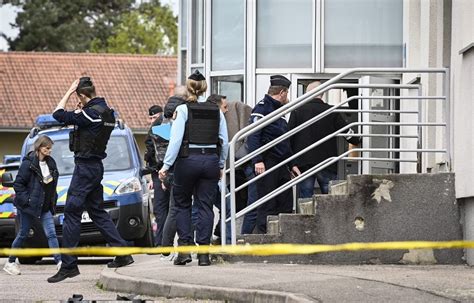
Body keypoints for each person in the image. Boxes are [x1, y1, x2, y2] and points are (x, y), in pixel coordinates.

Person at [48, 77, 133, 283]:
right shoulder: (108, 112)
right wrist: (81, 110)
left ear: (82, 96)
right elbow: (89, 123)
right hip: (96, 167)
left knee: (71, 212)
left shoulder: (90, 113)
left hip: (85, 168)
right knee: (97, 212)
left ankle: (68, 265)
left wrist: (68, 92)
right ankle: (122, 253)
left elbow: (57, 114)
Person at [159, 70, 228, 266]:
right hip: (210, 162)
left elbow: (175, 140)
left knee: (182, 205)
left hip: (187, 161)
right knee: (205, 206)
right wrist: (221, 164)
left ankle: (184, 251)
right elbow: (225, 141)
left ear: (188, 87)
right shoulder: (216, 110)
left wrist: (166, 166)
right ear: (205, 88)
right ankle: (204, 254)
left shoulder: (183, 110)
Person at [247, 75, 301, 234]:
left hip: (281, 164)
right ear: (282, 92)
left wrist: (292, 164)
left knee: (285, 203)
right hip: (267, 163)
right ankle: (265, 238)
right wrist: (257, 160)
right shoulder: (262, 108)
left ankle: (280, 236)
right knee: (267, 204)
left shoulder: (278, 110)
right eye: (288, 93)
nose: (288, 97)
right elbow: (253, 135)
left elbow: (284, 141)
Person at [288, 81, 361, 196]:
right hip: (327, 162)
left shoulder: (298, 111)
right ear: (321, 94)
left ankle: (306, 214)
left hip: (304, 162)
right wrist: (357, 140)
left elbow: (289, 138)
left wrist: (291, 163)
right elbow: (347, 131)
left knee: (306, 199)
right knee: (330, 198)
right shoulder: (330, 111)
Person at [3, 136, 61, 275]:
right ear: (40, 148)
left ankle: (60, 262)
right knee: (23, 234)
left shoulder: (51, 164)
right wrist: (27, 201)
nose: (50, 150)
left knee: (52, 234)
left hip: (44, 206)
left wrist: (53, 199)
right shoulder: (28, 164)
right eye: (47, 148)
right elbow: (18, 185)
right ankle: (10, 262)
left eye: (50, 148)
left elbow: (52, 185)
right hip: (28, 207)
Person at [144, 105, 168, 247]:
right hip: (156, 174)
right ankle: (161, 242)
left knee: (165, 209)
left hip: (163, 172)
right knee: (160, 210)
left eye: (155, 117)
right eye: (151, 118)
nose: (153, 120)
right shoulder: (156, 128)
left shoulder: (161, 127)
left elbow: (161, 155)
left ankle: (163, 243)